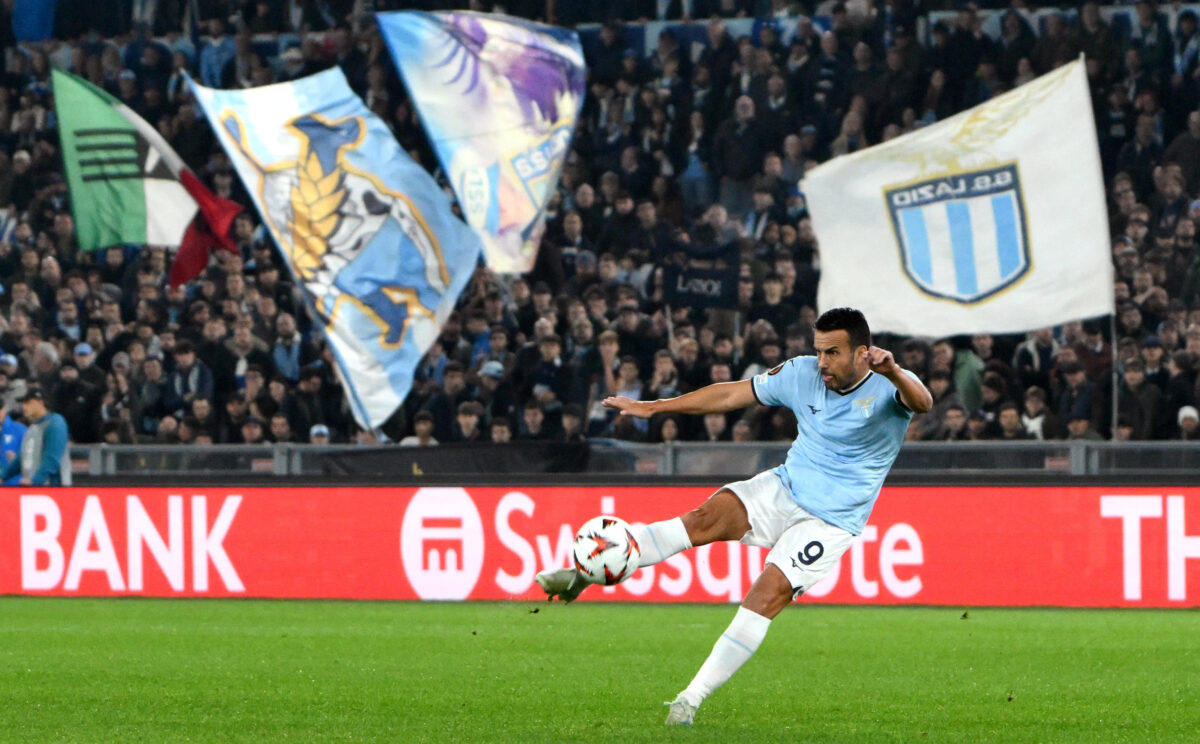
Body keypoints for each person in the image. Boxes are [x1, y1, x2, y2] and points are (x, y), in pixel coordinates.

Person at [535, 308, 931, 725]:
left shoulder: (890, 383)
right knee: (700, 519)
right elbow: (729, 395)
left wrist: (893, 371)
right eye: (818, 351)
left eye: (832, 353)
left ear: (862, 352)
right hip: (784, 487)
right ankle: (582, 576)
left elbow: (922, 403)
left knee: (764, 595)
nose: (822, 363)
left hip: (830, 521)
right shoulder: (801, 373)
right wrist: (656, 407)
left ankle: (689, 700)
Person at [1, 389, 72, 486]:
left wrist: (36, 480)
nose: (24, 407)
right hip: (34, 487)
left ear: (40, 402)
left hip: (53, 487)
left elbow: (52, 459)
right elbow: (22, 458)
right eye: (23, 403)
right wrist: (3, 476)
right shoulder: (33, 427)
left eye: (28, 403)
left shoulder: (55, 424)